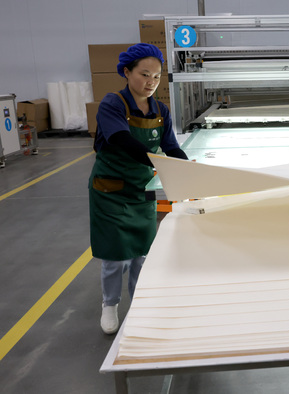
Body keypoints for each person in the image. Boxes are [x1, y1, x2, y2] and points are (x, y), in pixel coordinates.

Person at [88, 43, 188, 334]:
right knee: (114, 256)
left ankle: (139, 305)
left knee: (142, 254)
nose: (151, 83)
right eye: (144, 75)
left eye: (156, 77)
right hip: (110, 190)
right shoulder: (113, 104)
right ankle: (109, 305)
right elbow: (121, 139)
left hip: (142, 190)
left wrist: (188, 169)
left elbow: (170, 146)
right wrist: (158, 163)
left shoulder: (160, 109)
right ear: (127, 72)